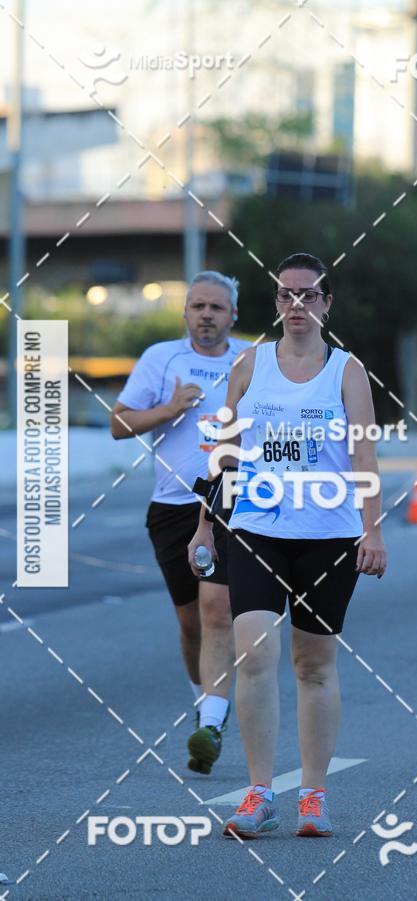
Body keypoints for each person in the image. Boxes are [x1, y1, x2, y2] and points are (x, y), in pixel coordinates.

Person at [188, 252, 386, 838]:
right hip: (254, 528)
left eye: (309, 295)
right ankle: (257, 793)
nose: (296, 305)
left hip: (328, 534)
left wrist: (372, 529)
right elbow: (223, 452)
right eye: (285, 294)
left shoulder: (346, 371)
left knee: (314, 664)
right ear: (275, 302)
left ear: (327, 302)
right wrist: (205, 524)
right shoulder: (249, 365)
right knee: (253, 653)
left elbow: (364, 455)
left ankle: (313, 796)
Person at [111, 271, 250, 772]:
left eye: (216, 307)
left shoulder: (252, 360)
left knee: (218, 612)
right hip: (172, 506)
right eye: (198, 307)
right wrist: (169, 408)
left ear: (233, 314)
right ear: (186, 313)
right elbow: (118, 425)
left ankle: (212, 723)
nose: (206, 315)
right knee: (191, 622)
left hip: (233, 500)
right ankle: (203, 701)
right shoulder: (161, 359)